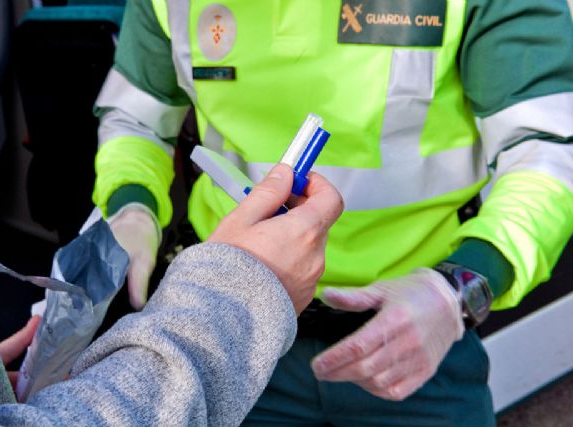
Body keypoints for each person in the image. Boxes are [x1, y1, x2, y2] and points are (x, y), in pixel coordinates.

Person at [91, 0, 573, 425]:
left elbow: (550, 153)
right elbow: (137, 119)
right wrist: (131, 207)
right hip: (228, 326)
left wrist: (461, 287)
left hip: (413, 335)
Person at [0, 164, 344, 426]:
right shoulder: (166, 20)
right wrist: (236, 294)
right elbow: (133, 114)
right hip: (254, 349)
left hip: (394, 340)